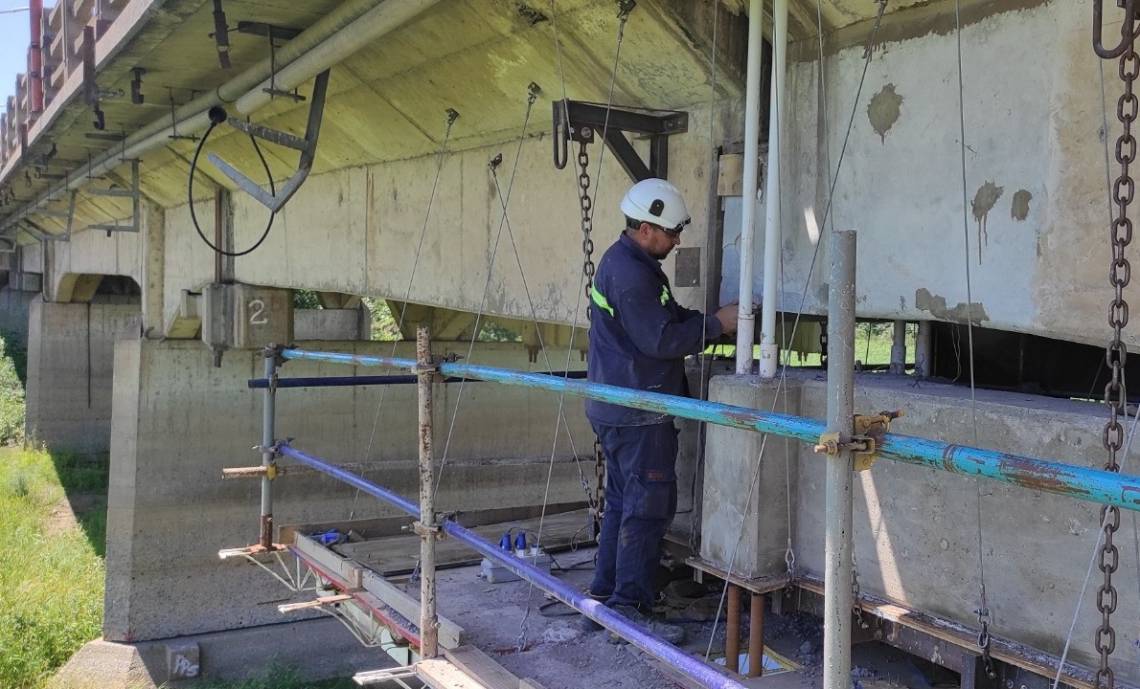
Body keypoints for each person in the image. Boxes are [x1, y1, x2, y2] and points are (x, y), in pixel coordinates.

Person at [583, 177, 739, 643]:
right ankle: (630, 608)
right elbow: (660, 341)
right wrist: (715, 325)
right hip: (638, 410)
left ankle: (606, 595)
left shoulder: (631, 264)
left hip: (619, 405)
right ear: (647, 227)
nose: (676, 241)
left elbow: (664, 321)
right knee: (647, 510)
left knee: (621, 505)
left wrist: (710, 322)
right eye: (671, 233)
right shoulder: (631, 274)